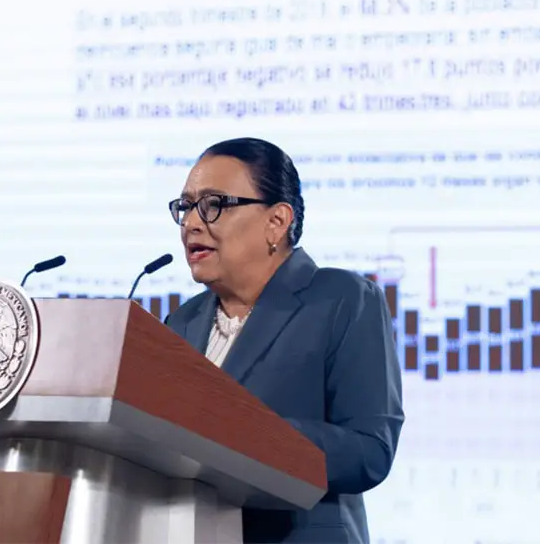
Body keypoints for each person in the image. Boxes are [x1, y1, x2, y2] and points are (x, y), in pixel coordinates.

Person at [164, 137, 404, 544]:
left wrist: (245, 431)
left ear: (276, 221)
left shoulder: (340, 298)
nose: (191, 223)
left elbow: (369, 451)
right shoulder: (180, 323)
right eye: (186, 206)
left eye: (213, 204)